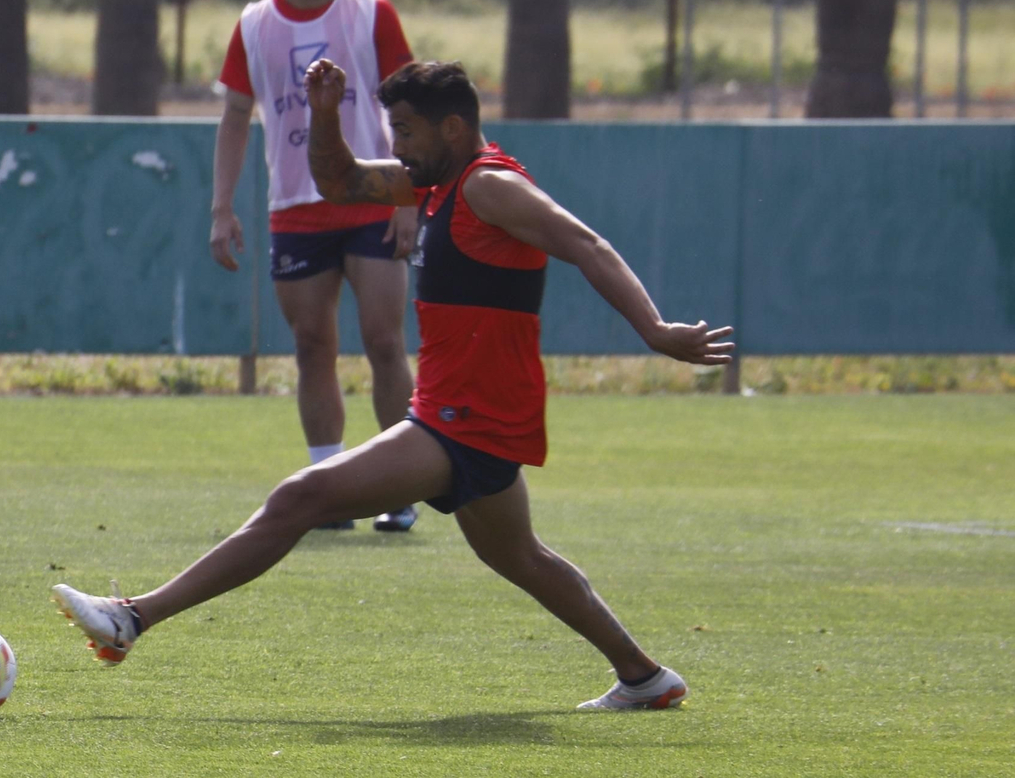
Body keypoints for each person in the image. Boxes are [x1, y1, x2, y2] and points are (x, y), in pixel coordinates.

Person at [53, 59, 735, 710]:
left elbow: (587, 243)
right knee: (521, 556)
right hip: (464, 412)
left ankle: (133, 618)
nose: (398, 145)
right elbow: (340, 182)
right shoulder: (438, 184)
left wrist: (654, 330)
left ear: (453, 128)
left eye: (405, 131)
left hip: (467, 418)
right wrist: (324, 116)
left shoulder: (488, 186)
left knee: (301, 496)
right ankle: (644, 677)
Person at [209, 0, 419, 532]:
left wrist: (410, 197)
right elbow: (235, 115)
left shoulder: (370, 11)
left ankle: (402, 486)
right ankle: (329, 487)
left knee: (385, 341)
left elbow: (409, 105)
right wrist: (221, 207)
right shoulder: (254, 25)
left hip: (373, 197)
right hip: (297, 208)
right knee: (312, 346)